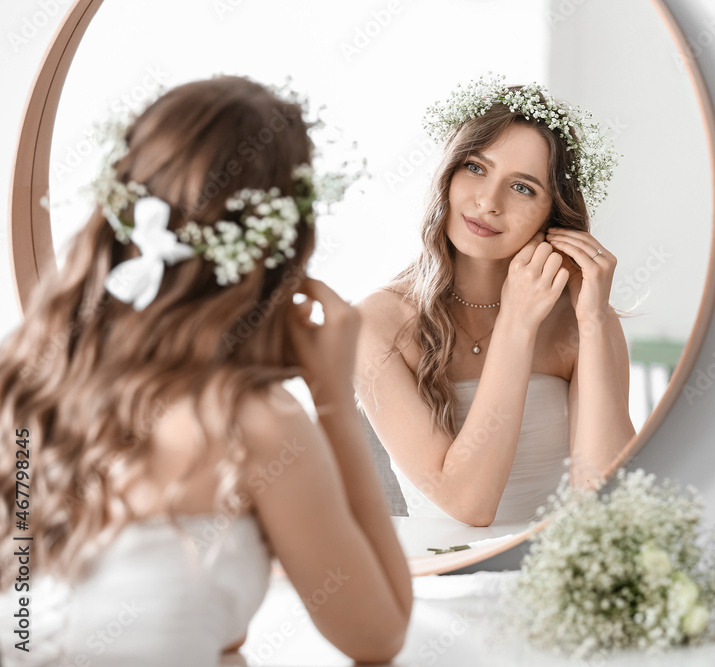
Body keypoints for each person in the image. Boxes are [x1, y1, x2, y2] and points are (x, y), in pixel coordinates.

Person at [0, 76, 411, 666]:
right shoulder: (253, 425)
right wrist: (335, 402)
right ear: (279, 247)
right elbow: (380, 637)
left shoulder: (24, 387)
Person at [354, 75, 636, 527]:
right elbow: (469, 504)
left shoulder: (581, 319)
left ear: (554, 213)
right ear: (447, 174)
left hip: (558, 572)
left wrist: (595, 323)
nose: (488, 202)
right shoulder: (376, 323)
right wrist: (516, 325)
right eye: (476, 168)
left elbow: (611, 504)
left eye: (523, 187)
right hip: (442, 578)